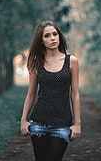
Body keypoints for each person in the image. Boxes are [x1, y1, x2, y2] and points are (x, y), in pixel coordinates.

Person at [20, 20, 81, 161]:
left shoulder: (71, 61)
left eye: (55, 34)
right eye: (47, 36)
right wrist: (24, 120)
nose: (53, 38)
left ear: (59, 36)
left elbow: (75, 94)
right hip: (38, 123)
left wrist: (77, 124)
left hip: (62, 123)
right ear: (41, 41)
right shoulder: (36, 63)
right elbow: (31, 94)